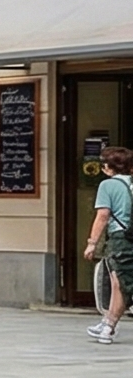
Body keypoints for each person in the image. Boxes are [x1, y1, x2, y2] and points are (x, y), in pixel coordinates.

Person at [86, 147, 133, 344]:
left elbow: (103, 215)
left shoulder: (108, 185)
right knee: (120, 283)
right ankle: (108, 323)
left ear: (108, 167)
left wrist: (92, 243)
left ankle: (108, 327)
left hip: (120, 238)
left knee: (120, 283)